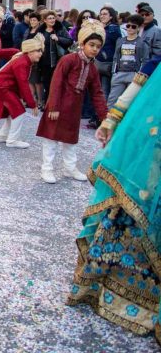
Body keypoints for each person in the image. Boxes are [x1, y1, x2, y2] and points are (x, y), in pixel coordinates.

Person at [66, 51, 161, 343]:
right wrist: (111, 121)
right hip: (150, 153)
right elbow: (134, 90)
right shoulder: (155, 64)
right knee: (133, 211)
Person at [36, 20, 108, 184]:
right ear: (82, 43)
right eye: (92, 45)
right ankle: (46, 169)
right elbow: (56, 83)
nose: (95, 49)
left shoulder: (93, 69)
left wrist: (105, 117)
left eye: (98, 46)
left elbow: (97, 93)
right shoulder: (68, 60)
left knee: (70, 140)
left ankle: (70, 168)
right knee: (51, 140)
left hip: (73, 110)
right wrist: (53, 106)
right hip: (58, 107)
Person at [0, 35, 44, 148]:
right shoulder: (22, 63)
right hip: (4, 88)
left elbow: (21, 83)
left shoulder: (24, 60)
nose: (41, 53)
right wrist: (32, 103)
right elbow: (23, 83)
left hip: (3, 87)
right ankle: (12, 140)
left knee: (13, 112)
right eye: (38, 51)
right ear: (30, 52)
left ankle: (2, 135)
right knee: (19, 112)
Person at [107, 13, 147, 108]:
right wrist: (114, 72)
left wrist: (138, 74)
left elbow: (145, 60)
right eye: (128, 26)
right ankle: (107, 121)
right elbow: (116, 57)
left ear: (139, 28)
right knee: (112, 101)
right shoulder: (120, 40)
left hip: (133, 74)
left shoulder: (142, 43)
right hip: (119, 73)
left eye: (133, 27)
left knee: (131, 102)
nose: (130, 28)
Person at [35, 9, 73, 103]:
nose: (52, 20)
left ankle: (52, 104)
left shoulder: (60, 28)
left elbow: (69, 41)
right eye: (49, 18)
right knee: (46, 84)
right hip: (43, 62)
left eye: (53, 18)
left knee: (55, 84)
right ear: (45, 20)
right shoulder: (40, 31)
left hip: (57, 61)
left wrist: (58, 38)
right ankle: (47, 103)